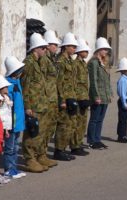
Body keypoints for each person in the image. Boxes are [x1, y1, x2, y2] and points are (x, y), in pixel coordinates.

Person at [21, 33, 51, 172]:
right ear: (35, 49)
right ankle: (30, 159)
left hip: (42, 103)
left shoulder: (39, 62)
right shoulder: (29, 63)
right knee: (31, 133)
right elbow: (25, 86)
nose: (45, 50)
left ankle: (39, 156)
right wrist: (27, 106)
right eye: (43, 48)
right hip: (33, 105)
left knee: (41, 132)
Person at [35, 30, 59, 167]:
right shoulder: (44, 60)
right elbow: (42, 80)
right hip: (45, 99)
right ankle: (39, 155)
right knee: (42, 130)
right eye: (54, 45)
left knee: (49, 129)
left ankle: (43, 154)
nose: (56, 47)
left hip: (52, 98)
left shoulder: (52, 59)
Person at [53, 32, 78, 161]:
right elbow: (58, 82)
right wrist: (61, 99)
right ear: (66, 46)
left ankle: (63, 148)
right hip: (64, 98)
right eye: (72, 46)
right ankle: (58, 150)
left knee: (69, 124)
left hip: (71, 96)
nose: (74, 49)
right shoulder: (60, 61)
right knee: (63, 125)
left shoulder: (70, 60)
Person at [4, 56, 29, 177]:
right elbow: (7, 107)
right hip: (11, 122)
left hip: (18, 121)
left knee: (15, 147)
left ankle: (13, 168)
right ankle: (9, 169)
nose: (21, 72)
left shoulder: (16, 82)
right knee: (10, 148)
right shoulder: (9, 85)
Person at [87, 37, 112, 149]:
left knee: (100, 119)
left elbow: (107, 80)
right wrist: (96, 96)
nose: (106, 52)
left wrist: (110, 93)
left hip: (105, 95)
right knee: (94, 119)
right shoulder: (93, 63)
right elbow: (93, 81)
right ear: (98, 50)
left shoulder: (104, 62)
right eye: (104, 49)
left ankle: (97, 139)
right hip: (98, 96)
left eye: (107, 50)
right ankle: (92, 141)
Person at [70, 38, 91, 156]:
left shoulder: (83, 63)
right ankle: (74, 145)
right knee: (76, 123)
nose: (87, 53)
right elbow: (74, 82)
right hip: (79, 97)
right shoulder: (76, 64)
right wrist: (79, 97)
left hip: (84, 97)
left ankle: (78, 143)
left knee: (83, 123)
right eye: (85, 51)